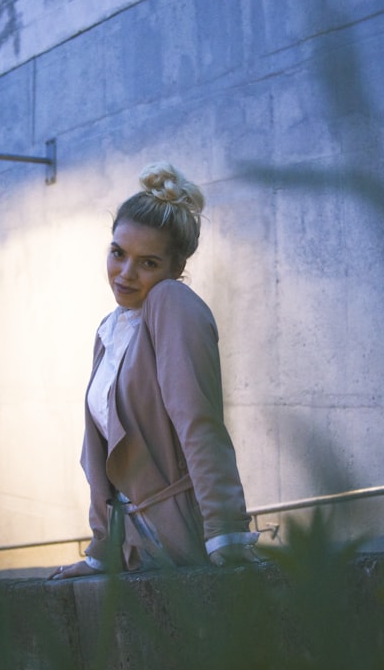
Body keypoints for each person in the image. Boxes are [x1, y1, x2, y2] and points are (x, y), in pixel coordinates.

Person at [50, 162, 261, 580]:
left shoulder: (171, 303)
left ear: (175, 268)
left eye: (147, 262)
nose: (125, 274)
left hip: (181, 539)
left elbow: (197, 421)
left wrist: (225, 531)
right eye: (117, 254)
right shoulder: (109, 330)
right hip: (132, 547)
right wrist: (99, 551)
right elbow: (100, 456)